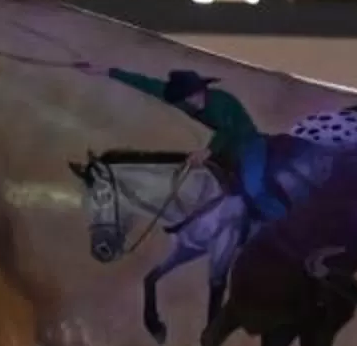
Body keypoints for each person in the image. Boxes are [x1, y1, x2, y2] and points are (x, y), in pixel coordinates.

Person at [103, 66, 283, 228]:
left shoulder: (221, 102)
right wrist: (108, 72)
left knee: (254, 187)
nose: (193, 101)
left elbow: (227, 130)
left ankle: (280, 220)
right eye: (187, 97)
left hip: (249, 144)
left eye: (195, 94)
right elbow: (150, 85)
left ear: (203, 89)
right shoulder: (185, 104)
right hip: (226, 150)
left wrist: (207, 151)